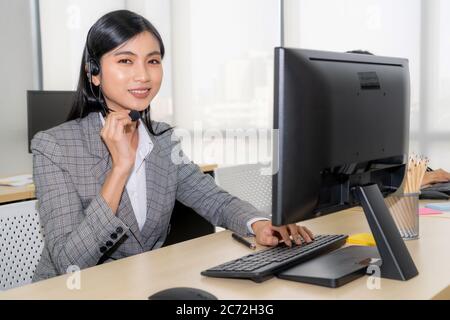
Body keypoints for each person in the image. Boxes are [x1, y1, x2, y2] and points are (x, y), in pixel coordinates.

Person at [31, 10, 314, 282]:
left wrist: (260, 224)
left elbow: (215, 200)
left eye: (153, 61)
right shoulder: (55, 147)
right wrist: (120, 169)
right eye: (126, 61)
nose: (143, 75)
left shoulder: (163, 140)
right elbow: (71, 262)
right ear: (94, 72)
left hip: (140, 285)